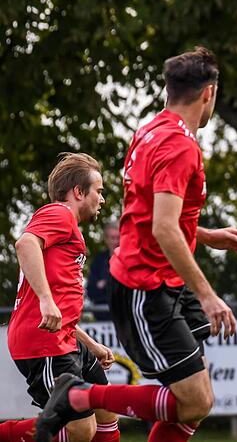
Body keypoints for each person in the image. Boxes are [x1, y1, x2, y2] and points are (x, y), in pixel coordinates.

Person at [35, 47, 237, 442]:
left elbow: (149, 216)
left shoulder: (151, 129)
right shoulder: (178, 145)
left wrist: (205, 235)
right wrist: (208, 295)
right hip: (145, 286)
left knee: (196, 404)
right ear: (208, 93)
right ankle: (80, 396)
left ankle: (83, 395)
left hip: (167, 281)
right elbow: (164, 229)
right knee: (195, 402)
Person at [2, 153, 120, 442]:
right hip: (44, 344)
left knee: (106, 409)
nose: (102, 200)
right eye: (99, 191)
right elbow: (25, 243)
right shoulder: (60, 213)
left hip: (64, 340)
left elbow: (59, 306)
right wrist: (45, 299)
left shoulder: (68, 228)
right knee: (81, 429)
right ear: (79, 192)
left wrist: (91, 344)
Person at [85, 220, 119, 320]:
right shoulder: (98, 260)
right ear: (106, 239)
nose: (116, 242)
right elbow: (91, 290)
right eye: (113, 238)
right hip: (102, 318)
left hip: (124, 317)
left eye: (118, 238)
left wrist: (104, 284)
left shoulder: (129, 259)